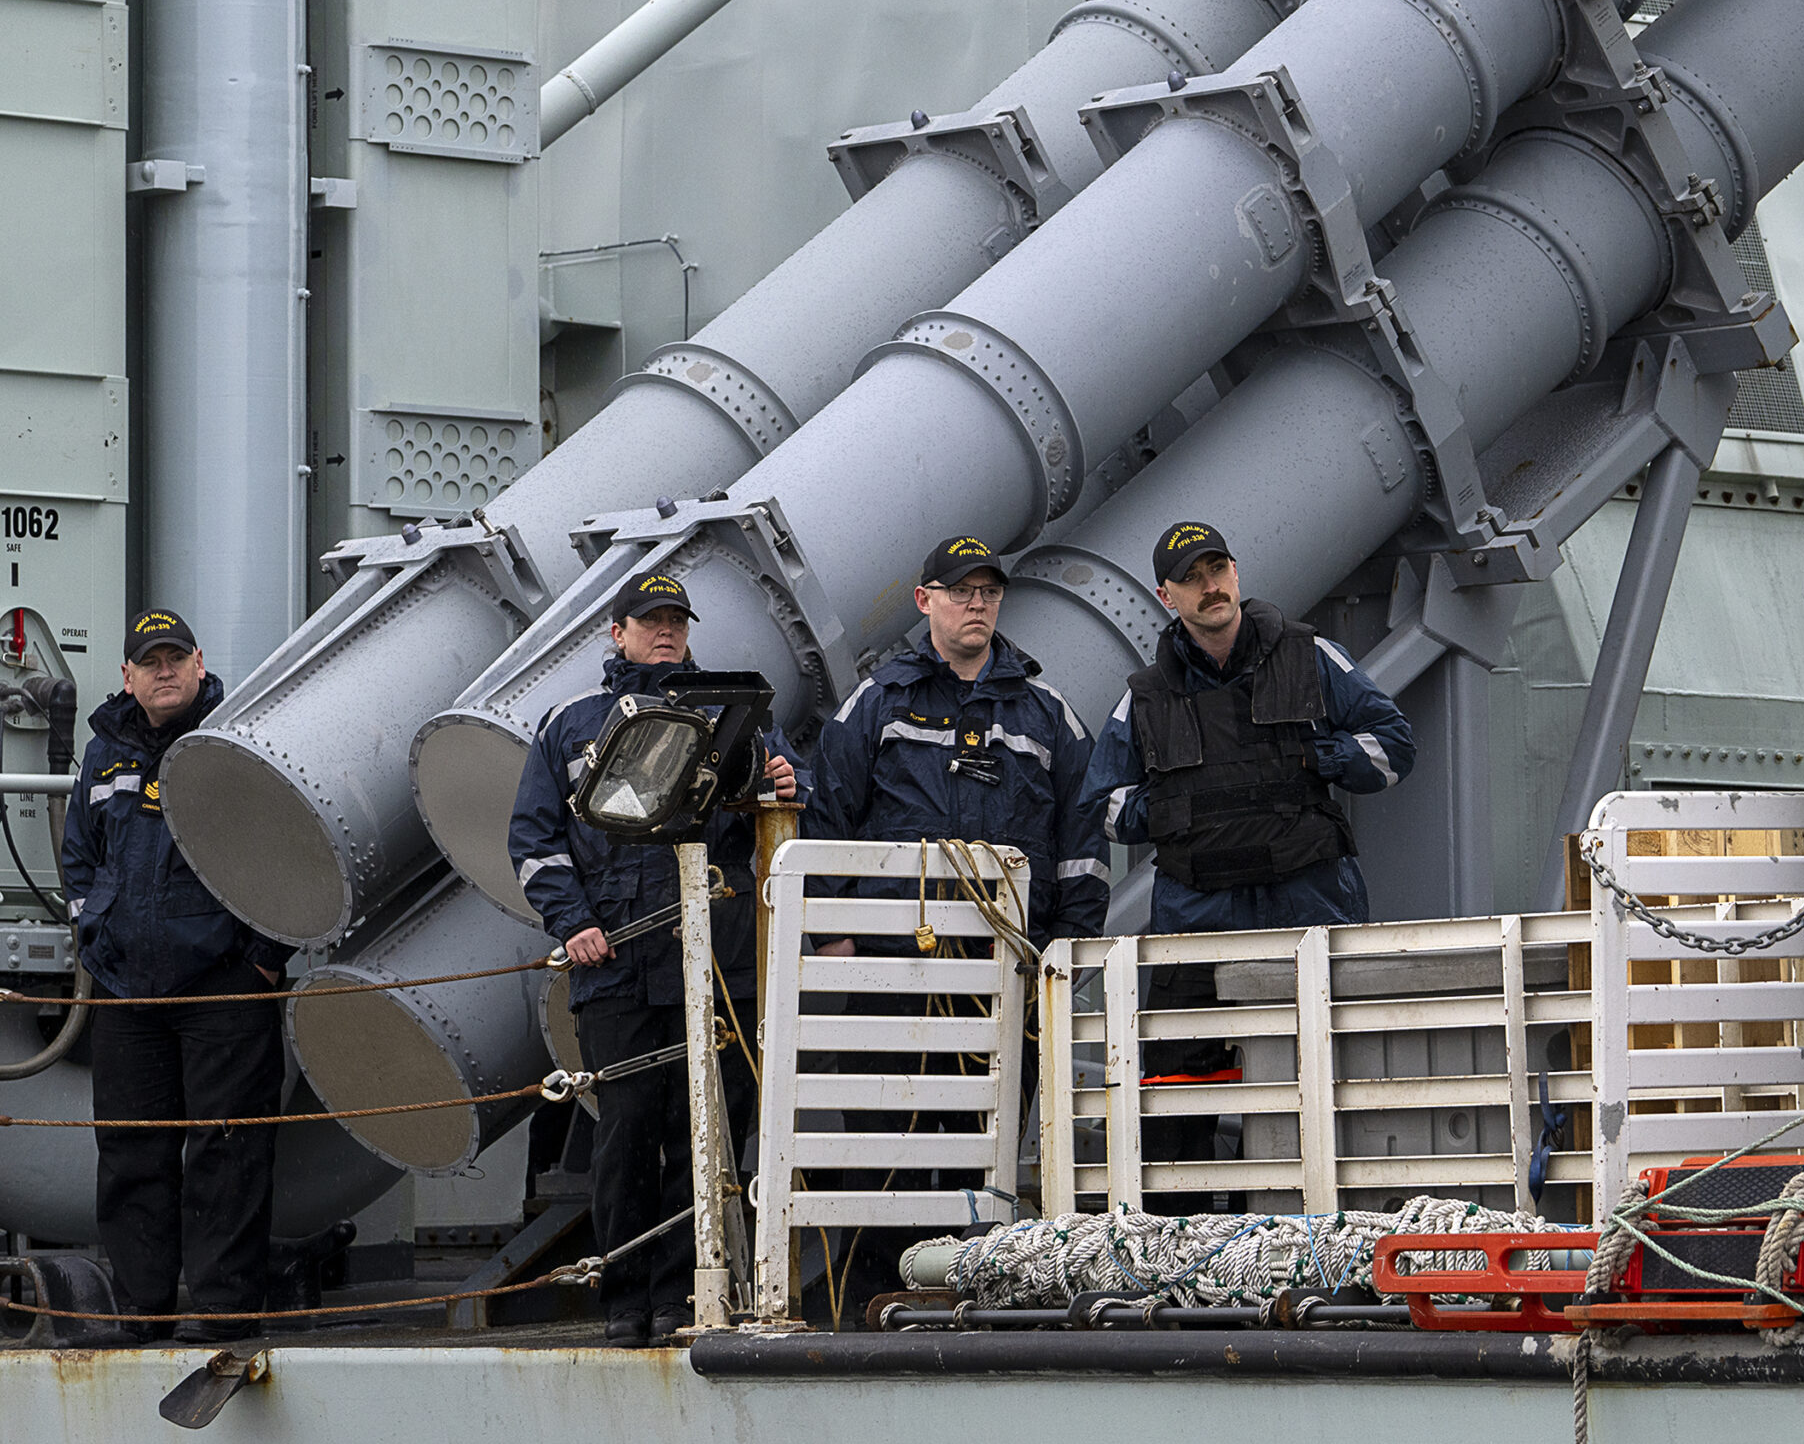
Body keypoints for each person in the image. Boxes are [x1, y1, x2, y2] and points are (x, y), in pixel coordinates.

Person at [505, 571, 799, 1347]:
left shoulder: (737, 720)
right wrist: (574, 923)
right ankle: (625, 1299)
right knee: (627, 1134)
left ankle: (685, 1296)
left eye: (675, 619)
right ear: (617, 631)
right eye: (649, 619)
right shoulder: (569, 726)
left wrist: (785, 783)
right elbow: (533, 843)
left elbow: (793, 820)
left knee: (706, 1132)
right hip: (616, 970)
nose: (664, 631)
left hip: (715, 971)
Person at [60, 608, 290, 1341]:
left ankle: (223, 1307)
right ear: (126, 676)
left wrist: (260, 958)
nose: (163, 671)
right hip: (127, 986)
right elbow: (79, 855)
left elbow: (282, 850)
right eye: (148, 661)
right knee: (131, 1150)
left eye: (174, 658)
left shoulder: (235, 742)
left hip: (223, 984)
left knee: (227, 1149)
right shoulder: (103, 753)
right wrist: (95, 930)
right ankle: (142, 1309)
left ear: (198, 663)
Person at [1081, 520, 1416, 932]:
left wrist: (1316, 757)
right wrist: (1177, 805)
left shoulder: (1310, 658)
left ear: (1235, 572)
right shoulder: (1146, 696)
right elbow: (1100, 806)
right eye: (1191, 578)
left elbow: (1394, 746)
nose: (1210, 587)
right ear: (1165, 596)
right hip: (1197, 933)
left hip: (1311, 920)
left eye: (1217, 569)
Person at [807, 536, 1107, 948]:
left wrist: (1070, 944)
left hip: (1014, 959)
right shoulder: (877, 703)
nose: (978, 603)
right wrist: (831, 934)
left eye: (990, 591)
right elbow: (826, 820)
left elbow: (1083, 841)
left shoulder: (1049, 714)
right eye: (960, 590)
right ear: (923, 599)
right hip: (891, 962)